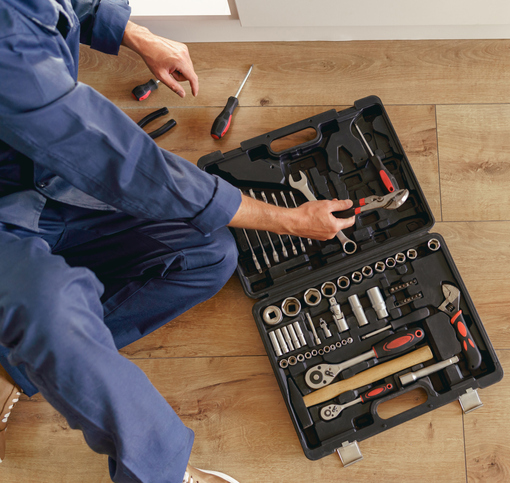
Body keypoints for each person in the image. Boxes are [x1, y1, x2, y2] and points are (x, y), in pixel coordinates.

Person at [0, 1, 355, 482]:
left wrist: (131, 31)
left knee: (208, 253)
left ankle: (20, 360)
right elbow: (124, 164)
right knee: (53, 306)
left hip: (46, 181)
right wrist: (287, 221)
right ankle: (163, 473)